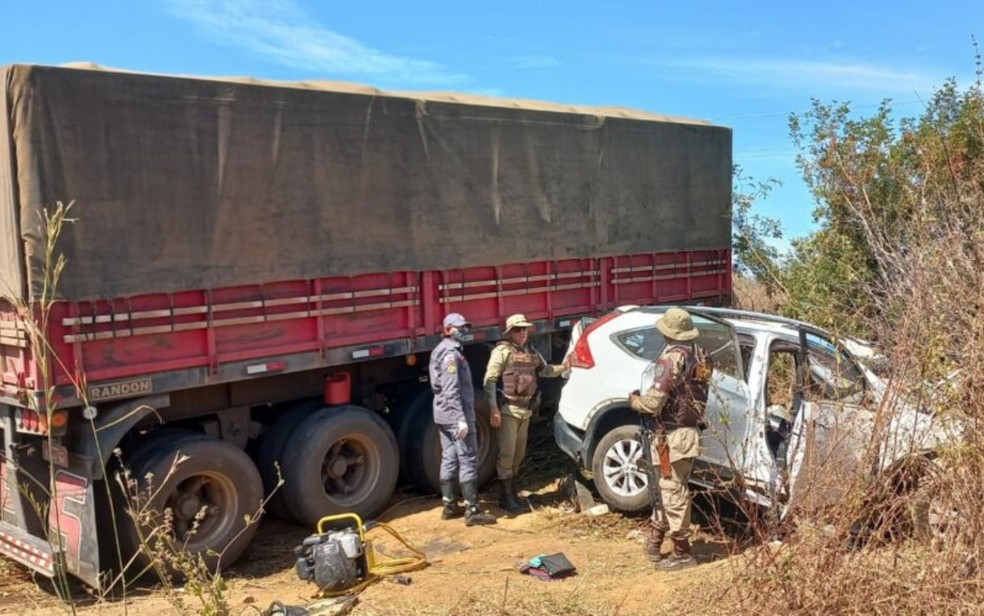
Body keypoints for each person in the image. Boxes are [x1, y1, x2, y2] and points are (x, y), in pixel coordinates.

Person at [629, 307, 712, 571]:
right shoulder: (702, 356)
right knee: (667, 488)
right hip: (688, 433)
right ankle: (655, 541)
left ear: (667, 333)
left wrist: (635, 402)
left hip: (670, 436)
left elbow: (654, 402)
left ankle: (681, 552)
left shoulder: (671, 359)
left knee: (671, 491)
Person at [484, 314, 569, 514]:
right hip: (509, 410)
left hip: (526, 410)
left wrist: (565, 366)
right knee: (507, 454)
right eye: (517, 329)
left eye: (524, 329)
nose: (522, 332)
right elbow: (490, 380)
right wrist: (493, 409)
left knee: (518, 455)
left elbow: (545, 370)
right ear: (509, 332)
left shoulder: (531, 350)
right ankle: (505, 498)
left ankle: (512, 494)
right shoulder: (502, 352)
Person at [430, 313, 496, 526]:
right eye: (460, 327)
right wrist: (460, 418)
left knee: (449, 456)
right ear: (448, 329)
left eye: (465, 327)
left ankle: (449, 505)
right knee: (468, 458)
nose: (464, 331)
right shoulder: (450, 353)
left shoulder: (439, 350)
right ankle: (472, 510)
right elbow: (451, 388)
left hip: (442, 413)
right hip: (455, 414)